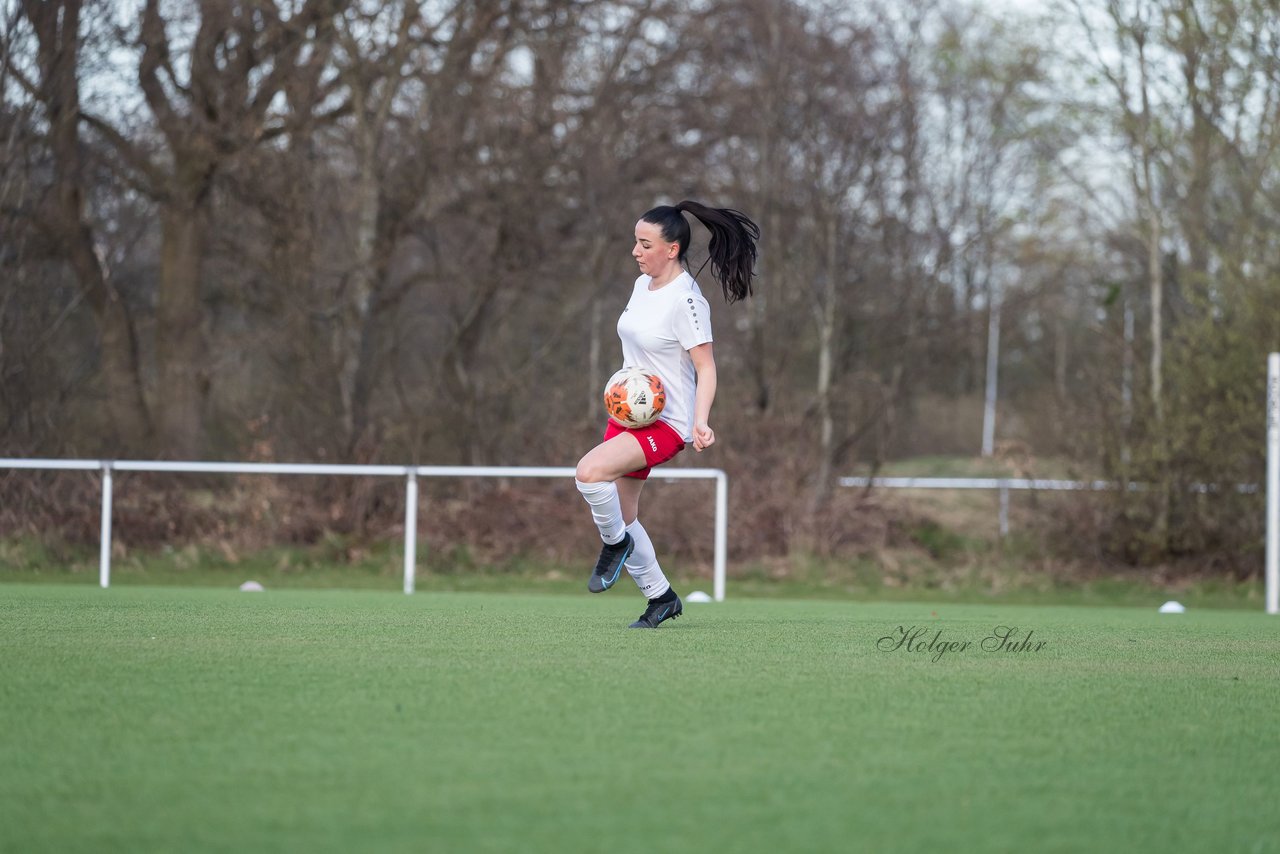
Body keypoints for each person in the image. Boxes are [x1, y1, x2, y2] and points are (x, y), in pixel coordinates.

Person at [575, 200, 760, 628]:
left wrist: (701, 420)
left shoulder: (688, 301)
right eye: (635, 242)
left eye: (645, 244)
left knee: (588, 473)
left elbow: (706, 366)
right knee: (624, 514)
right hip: (628, 414)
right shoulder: (642, 286)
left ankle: (613, 546)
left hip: (667, 422)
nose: (636, 252)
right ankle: (661, 598)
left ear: (672, 249)